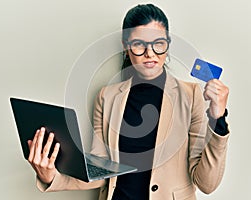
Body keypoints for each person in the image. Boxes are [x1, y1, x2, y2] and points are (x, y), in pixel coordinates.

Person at [27, 4, 230, 200]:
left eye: (158, 43)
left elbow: (206, 184)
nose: (150, 54)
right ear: (126, 46)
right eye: (139, 44)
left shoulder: (191, 95)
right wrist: (53, 177)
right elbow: (100, 172)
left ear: (168, 44)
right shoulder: (106, 97)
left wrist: (218, 120)